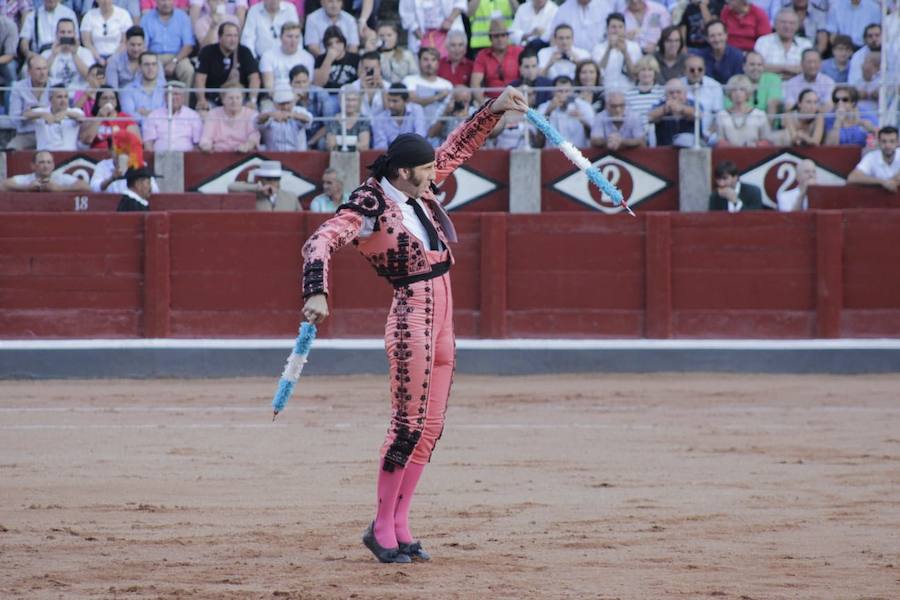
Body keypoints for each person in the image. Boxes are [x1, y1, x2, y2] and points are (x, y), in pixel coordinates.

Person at [299, 85, 529, 565]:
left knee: (431, 428)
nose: (435, 175)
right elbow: (319, 241)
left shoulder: (415, 184)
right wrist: (316, 290)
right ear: (404, 173)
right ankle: (381, 528)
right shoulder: (367, 204)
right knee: (407, 426)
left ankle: (401, 525)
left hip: (442, 311)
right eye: (426, 171)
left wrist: (495, 108)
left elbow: (456, 148)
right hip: (412, 313)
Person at [195, 22, 261, 110]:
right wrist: (201, 100)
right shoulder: (207, 52)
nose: (233, 40)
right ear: (219, 37)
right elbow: (200, 79)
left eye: (235, 36)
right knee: (202, 113)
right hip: (213, 100)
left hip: (239, 101)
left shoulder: (245, 52)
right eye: (229, 36)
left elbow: (254, 78)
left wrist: (252, 100)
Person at [403, 47, 453, 145]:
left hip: (439, 135)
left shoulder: (447, 85)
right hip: (413, 134)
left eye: (433, 60)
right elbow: (412, 99)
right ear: (419, 61)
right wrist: (437, 97)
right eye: (425, 59)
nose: (429, 63)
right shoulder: (409, 80)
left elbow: (448, 110)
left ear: (438, 63)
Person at [140, 0, 195, 87]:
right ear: (156, 2)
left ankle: (185, 101)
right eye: (162, 1)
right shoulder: (147, 18)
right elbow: (144, 46)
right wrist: (152, 61)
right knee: (149, 68)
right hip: (155, 56)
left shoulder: (183, 17)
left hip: (178, 56)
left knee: (188, 70)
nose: (166, 4)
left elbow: (188, 45)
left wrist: (174, 62)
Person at [470, 18, 523, 103]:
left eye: (503, 35)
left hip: (516, 100)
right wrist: (483, 105)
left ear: (507, 37)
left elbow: (528, 77)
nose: (500, 39)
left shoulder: (518, 51)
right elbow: (475, 83)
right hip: (490, 101)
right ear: (490, 38)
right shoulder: (482, 55)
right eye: (496, 36)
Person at [533, 75, 594, 148]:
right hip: (553, 153)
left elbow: (594, 133)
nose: (563, 95)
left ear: (572, 91)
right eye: (560, 91)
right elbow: (538, 139)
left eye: (567, 91)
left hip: (579, 152)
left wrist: (582, 120)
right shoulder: (544, 107)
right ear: (553, 92)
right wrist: (548, 112)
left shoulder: (584, 106)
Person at [142, 80, 203, 150]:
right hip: (159, 158)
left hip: (186, 158)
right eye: (170, 94)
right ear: (164, 97)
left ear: (183, 97)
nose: (174, 98)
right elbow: (148, 143)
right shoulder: (154, 116)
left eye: (177, 94)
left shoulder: (193, 116)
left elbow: (197, 143)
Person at [7, 55, 51, 151]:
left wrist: (33, 113)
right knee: (10, 149)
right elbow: (14, 119)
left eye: (45, 68)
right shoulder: (18, 88)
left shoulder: (56, 85)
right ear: (29, 71)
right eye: (38, 69)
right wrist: (35, 114)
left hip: (50, 133)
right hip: (27, 134)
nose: (43, 73)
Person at [198, 84, 261, 151]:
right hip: (219, 153)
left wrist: (247, 146)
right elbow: (206, 137)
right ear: (223, 100)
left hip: (244, 153)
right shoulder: (213, 114)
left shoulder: (251, 114)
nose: (234, 101)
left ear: (242, 99)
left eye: (238, 98)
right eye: (230, 98)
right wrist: (206, 145)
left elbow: (254, 135)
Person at [714, 74, 772, 147]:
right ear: (729, 93)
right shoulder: (722, 115)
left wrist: (754, 145)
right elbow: (719, 141)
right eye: (734, 90)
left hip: (754, 153)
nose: (738, 93)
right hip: (729, 154)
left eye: (742, 89)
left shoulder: (759, 114)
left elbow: (767, 140)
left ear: (747, 92)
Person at [753, 8, 811, 80]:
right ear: (775, 24)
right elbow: (756, 67)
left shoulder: (806, 44)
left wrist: (774, 69)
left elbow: (809, 68)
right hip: (768, 86)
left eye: (792, 23)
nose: (787, 26)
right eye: (783, 22)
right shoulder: (763, 41)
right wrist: (786, 68)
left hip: (798, 87)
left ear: (797, 26)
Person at [25, 85, 85, 151]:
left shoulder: (74, 111)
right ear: (50, 99)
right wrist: (42, 114)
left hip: (68, 155)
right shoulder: (43, 111)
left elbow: (82, 118)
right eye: (59, 97)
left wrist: (66, 113)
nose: (63, 100)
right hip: (45, 155)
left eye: (66, 97)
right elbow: (25, 114)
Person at [260, 21, 314, 93]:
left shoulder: (308, 58)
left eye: (297, 37)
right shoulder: (267, 56)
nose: (293, 40)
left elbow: (307, 85)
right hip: (275, 98)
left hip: (301, 97)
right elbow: (269, 86)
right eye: (289, 36)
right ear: (281, 37)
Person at [592, 13, 641, 92]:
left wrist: (625, 52)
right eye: (613, 27)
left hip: (628, 91)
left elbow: (634, 75)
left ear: (625, 29)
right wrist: (608, 50)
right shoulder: (598, 48)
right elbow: (598, 74)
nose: (617, 30)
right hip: (606, 91)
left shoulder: (634, 47)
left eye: (620, 27)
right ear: (607, 29)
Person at [398, 0, 465, 57]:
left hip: (447, 30)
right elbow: (405, 12)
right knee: (425, 63)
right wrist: (415, 29)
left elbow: (460, 3)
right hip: (422, 34)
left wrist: (450, 20)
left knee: (450, 62)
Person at [1, 150, 90, 193]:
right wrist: (26, 188)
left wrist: (59, 189)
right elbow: (2, 185)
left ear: (53, 165)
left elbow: (86, 187)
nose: (45, 166)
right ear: (33, 166)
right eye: (41, 162)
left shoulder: (60, 178)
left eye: (48, 162)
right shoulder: (28, 179)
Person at [547, 0, 616, 54]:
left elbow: (614, 31)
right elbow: (553, 35)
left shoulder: (604, 7)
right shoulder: (564, 9)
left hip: (600, 56)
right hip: (572, 56)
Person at [42, 18, 95, 88]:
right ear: (56, 34)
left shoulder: (85, 53)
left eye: (69, 32)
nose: (66, 35)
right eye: (62, 32)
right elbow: (40, 76)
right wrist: (53, 55)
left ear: (74, 34)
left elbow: (90, 78)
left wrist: (74, 54)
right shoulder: (46, 54)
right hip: (55, 95)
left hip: (79, 94)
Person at [371, 83, 427, 149]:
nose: (391, 105)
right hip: (390, 156)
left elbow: (420, 136)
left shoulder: (416, 110)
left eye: (395, 101)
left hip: (414, 152)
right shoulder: (380, 118)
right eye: (389, 100)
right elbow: (380, 147)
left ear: (406, 101)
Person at [227, 160, 300, 211]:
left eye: (276, 179)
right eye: (268, 179)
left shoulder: (291, 197)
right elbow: (231, 187)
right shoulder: (253, 194)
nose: (272, 182)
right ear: (261, 180)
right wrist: (258, 188)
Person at [257, 86, 313, 150]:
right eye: (282, 104)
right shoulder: (268, 112)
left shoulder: (299, 111)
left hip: (297, 154)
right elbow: (256, 121)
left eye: (288, 103)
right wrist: (271, 115)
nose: (285, 107)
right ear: (275, 104)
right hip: (273, 155)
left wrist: (292, 115)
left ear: (292, 102)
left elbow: (309, 119)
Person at [80, 0, 134, 66]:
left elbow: (125, 41)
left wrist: (112, 58)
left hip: (118, 55)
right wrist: (98, 58)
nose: (105, 2)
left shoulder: (124, 15)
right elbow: (86, 41)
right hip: (94, 56)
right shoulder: (89, 16)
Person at [847, 126, 900, 193]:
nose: (888, 145)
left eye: (892, 141)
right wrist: (882, 182)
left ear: (897, 142)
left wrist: (891, 181)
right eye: (884, 141)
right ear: (879, 142)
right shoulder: (871, 157)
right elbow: (852, 178)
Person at [648, 77, 697, 147]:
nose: (675, 96)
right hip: (664, 151)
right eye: (671, 93)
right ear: (665, 95)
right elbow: (650, 117)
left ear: (685, 94)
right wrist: (665, 109)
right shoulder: (659, 104)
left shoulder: (694, 103)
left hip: (689, 151)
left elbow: (698, 114)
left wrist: (682, 109)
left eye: (678, 92)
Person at [624, 54, 665, 136]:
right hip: (634, 133)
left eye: (650, 70)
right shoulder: (628, 94)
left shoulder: (662, 92)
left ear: (655, 73)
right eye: (643, 70)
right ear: (637, 73)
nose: (646, 73)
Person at [696, 19, 744, 85]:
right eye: (712, 36)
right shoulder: (700, 57)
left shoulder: (737, 56)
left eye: (720, 34)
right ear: (707, 38)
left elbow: (739, 81)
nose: (717, 39)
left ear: (726, 35)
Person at [121, 51, 166, 120]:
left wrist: (145, 113)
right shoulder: (128, 90)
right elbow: (128, 116)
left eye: (154, 64)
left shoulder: (166, 89)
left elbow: (167, 115)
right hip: (136, 129)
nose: (150, 68)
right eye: (146, 64)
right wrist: (155, 115)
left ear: (158, 67)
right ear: (139, 67)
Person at [105, 26, 145, 90]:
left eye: (139, 45)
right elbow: (112, 90)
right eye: (132, 45)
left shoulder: (152, 62)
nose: (136, 49)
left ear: (144, 44)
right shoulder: (114, 61)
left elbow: (161, 88)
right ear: (126, 43)